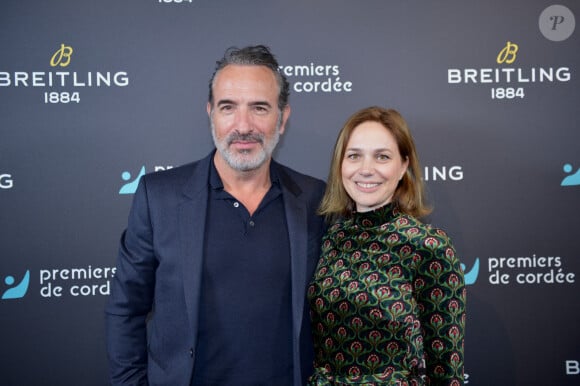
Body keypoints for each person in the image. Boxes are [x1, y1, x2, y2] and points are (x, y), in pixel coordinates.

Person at [105, 45, 326, 386]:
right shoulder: (158, 197)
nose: (243, 125)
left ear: (282, 119)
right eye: (228, 107)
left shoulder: (315, 199)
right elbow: (126, 309)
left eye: (260, 108)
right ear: (210, 113)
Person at [307, 107, 465, 385]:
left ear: (404, 166)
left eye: (382, 156)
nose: (366, 170)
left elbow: (446, 369)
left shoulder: (428, 246)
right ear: (340, 165)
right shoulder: (332, 238)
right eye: (354, 156)